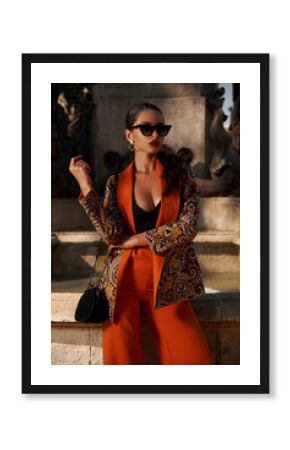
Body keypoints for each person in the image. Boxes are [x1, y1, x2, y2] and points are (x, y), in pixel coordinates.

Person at [69, 102, 214, 365]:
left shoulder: (181, 176)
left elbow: (188, 228)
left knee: (196, 363)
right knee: (122, 368)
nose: (155, 135)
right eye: (146, 128)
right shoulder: (116, 182)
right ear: (129, 135)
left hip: (168, 281)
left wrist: (137, 239)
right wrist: (87, 187)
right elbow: (111, 235)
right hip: (121, 284)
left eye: (161, 128)